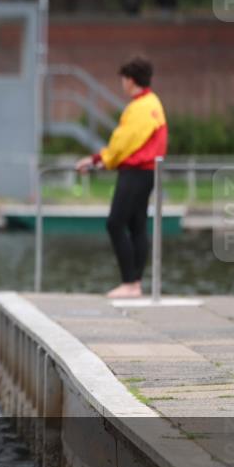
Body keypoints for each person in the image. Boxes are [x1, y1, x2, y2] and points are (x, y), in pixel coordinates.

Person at [77, 57, 168, 298]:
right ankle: (135, 284)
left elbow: (122, 143)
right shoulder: (154, 103)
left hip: (136, 171)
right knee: (137, 225)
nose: (122, 84)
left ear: (130, 80)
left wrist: (98, 159)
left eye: (123, 79)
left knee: (115, 223)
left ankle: (129, 283)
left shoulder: (138, 108)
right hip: (148, 172)